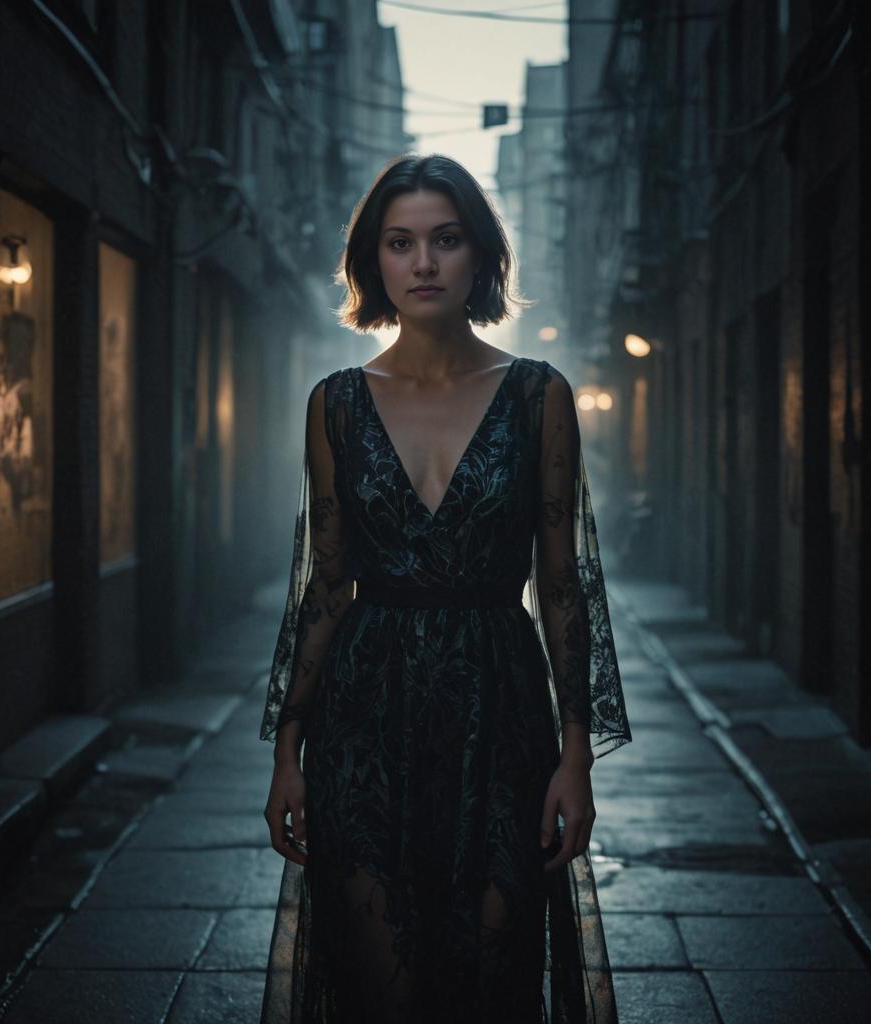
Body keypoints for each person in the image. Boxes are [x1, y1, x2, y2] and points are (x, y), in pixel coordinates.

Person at [259, 153, 632, 1023]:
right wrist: (287, 749)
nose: (423, 263)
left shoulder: (540, 395)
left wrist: (576, 757)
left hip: (500, 720)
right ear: (373, 263)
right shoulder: (336, 404)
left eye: (445, 240)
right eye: (401, 243)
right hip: (363, 723)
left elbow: (564, 585)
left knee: (495, 986)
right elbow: (325, 586)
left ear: (481, 257)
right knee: (377, 992)